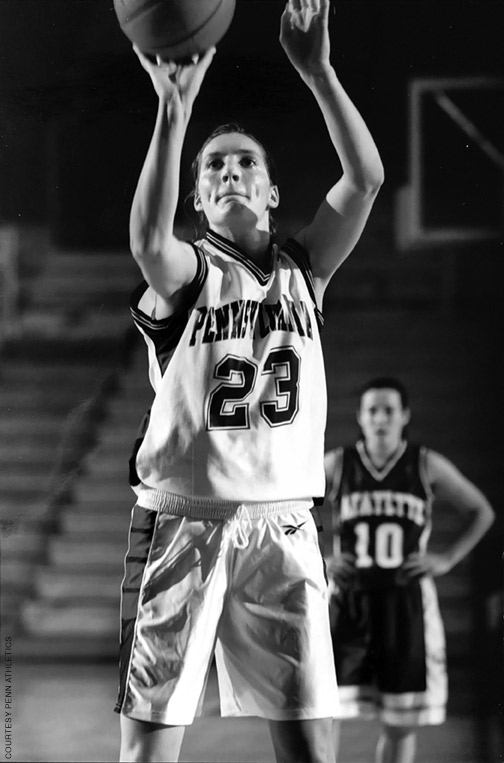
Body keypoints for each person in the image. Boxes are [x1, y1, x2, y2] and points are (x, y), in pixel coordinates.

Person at [114, 0, 384, 760]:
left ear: (269, 193)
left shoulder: (306, 270)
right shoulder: (187, 274)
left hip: (287, 526)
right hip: (184, 523)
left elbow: (364, 180)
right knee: (148, 753)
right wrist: (176, 113)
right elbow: (145, 238)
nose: (231, 170)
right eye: (214, 167)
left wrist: (319, 72)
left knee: (311, 752)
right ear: (198, 200)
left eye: (247, 164)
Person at [324, 377, 495, 763]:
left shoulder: (425, 463)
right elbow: (288, 503)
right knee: (325, 714)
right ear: (360, 418)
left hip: (406, 605)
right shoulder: (338, 463)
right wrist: (320, 560)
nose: (380, 418)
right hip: (349, 603)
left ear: (405, 416)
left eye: (388, 410)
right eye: (372, 411)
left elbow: (481, 512)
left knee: (400, 721)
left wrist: (447, 559)